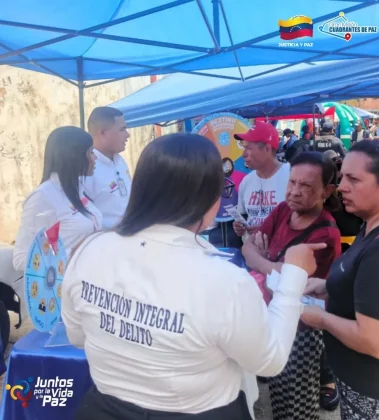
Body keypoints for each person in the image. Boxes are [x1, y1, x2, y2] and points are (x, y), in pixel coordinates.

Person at [62, 132, 325, 420]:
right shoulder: (225, 281)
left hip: (103, 409)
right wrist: (293, 277)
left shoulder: (89, 250)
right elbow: (269, 361)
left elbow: (77, 335)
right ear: (210, 199)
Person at [302, 139, 379, 419]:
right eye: (342, 177)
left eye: (353, 179)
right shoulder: (373, 224)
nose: (341, 187)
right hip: (364, 387)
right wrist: (327, 287)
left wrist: (321, 319)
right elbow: (369, 286)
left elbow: (376, 343)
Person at [242, 152, 342, 420]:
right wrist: (271, 265)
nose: (295, 191)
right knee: (277, 395)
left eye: (306, 185)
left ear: (327, 191)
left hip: (302, 330)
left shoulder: (325, 233)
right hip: (274, 315)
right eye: (292, 182)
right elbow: (247, 248)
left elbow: (290, 282)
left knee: (296, 407)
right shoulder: (285, 210)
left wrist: (263, 261)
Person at [13, 127, 102, 271]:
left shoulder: (78, 188)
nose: (95, 158)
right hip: (65, 283)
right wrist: (73, 254)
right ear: (74, 156)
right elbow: (21, 259)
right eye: (91, 152)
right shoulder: (43, 197)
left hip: (90, 277)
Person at [232, 122, 290, 238]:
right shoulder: (246, 181)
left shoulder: (292, 177)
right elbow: (243, 214)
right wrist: (239, 226)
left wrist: (268, 228)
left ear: (267, 148)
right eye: (244, 147)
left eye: (248, 148)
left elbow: (302, 220)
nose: (244, 154)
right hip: (251, 247)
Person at [85, 106, 131, 229]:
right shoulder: (87, 169)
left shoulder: (120, 160)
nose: (127, 135)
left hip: (132, 232)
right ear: (103, 133)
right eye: (122, 129)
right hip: (108, 238)